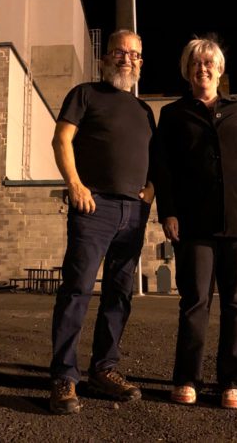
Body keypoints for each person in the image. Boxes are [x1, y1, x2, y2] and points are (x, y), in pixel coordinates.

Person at [154, 37, 237, 409]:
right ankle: (187, 376)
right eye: (196, 64)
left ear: (220, 70)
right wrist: (168, 211)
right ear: (188, 71)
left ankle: (233, 380)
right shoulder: (173, 114)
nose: (202, 69)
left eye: (209, 64)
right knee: (195, 301)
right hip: (194, 223)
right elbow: (164, 168)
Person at [49, 29, 155, 415]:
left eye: (134, 55)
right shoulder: (85, 93)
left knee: (119, 293)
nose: (126, 59)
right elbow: (61, 140)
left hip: (133, 211)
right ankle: (64, 374)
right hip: (94, 206)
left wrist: (150, 194)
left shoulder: (143, 110)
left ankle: (103, 369)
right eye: (119, 52)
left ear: (141, 63)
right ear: (105, 58)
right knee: (77, 289)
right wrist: (75, 185)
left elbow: (154, 159)